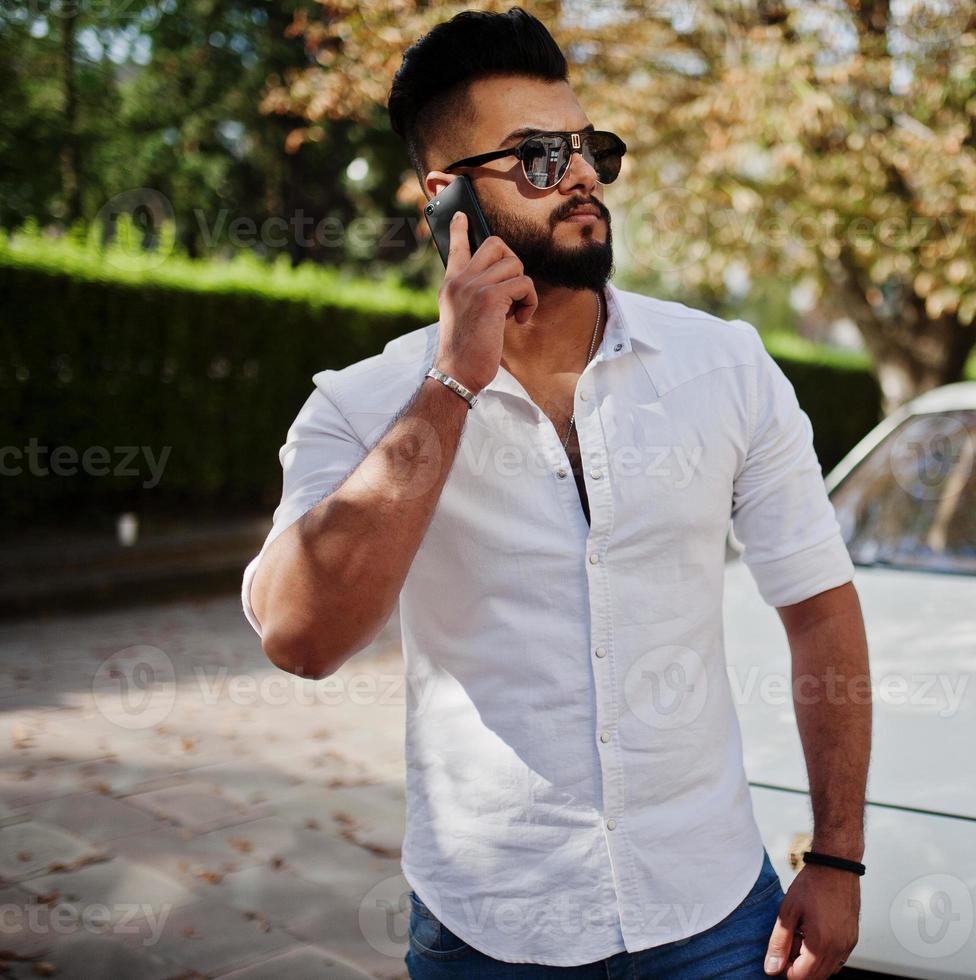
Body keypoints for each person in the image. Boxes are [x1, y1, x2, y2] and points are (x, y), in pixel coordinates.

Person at [239, 6, 871, 979]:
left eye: (588, 147)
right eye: (537, 156)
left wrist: (836, 854)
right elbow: (301, 635)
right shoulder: (364, 406)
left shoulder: (727, 365)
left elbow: (821, 607)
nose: (579, 174)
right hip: (490, 927)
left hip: (713, 908)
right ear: (446, 202)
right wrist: (454, 380)